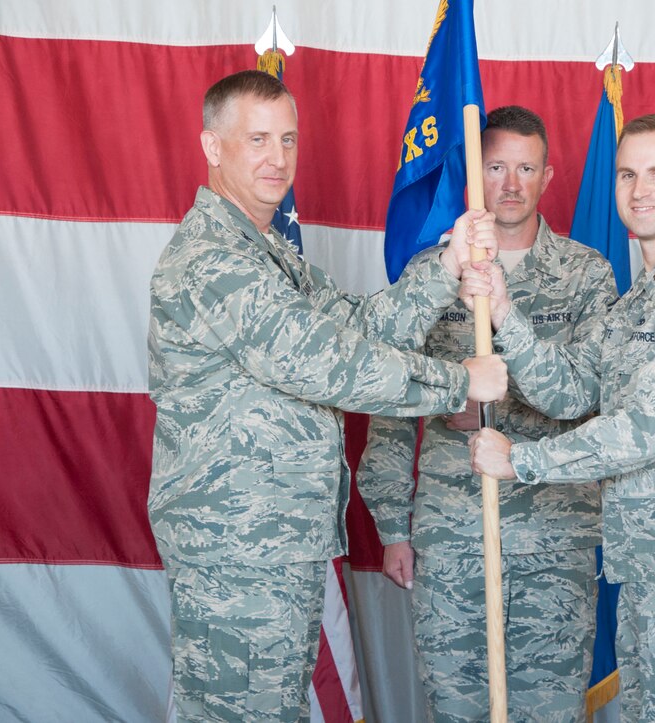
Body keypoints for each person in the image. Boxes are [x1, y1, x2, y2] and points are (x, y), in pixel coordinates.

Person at [147, 69, 507, 721]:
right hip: (238, 544)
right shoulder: (213, 260)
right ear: (211, 145)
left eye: (287, 139)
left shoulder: (269, 258)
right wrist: (459, 382)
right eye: (256, 139)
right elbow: (329, 365)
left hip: (276, 540)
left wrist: (446, 267)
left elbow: (359, 325)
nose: (277, 157)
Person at [468, 114, 655, 722]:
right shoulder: (639, 300)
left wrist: (520, 460)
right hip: (648, 565)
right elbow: (572, 389)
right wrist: (506, 317)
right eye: (628, 174)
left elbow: (647, 430)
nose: (640, 190)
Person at [356, 106, 617, 722]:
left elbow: (590, 397)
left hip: (556, 534)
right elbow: (390, 405)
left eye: (526, 168)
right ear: (476, 174)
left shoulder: (587, 275)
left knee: (549, 708)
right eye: (496, 166)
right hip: (452, 529)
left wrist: (493, 404)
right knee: (458, 705)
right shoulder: (434, 273)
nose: (510, 183)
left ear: (548, 176)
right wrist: (393, 523)